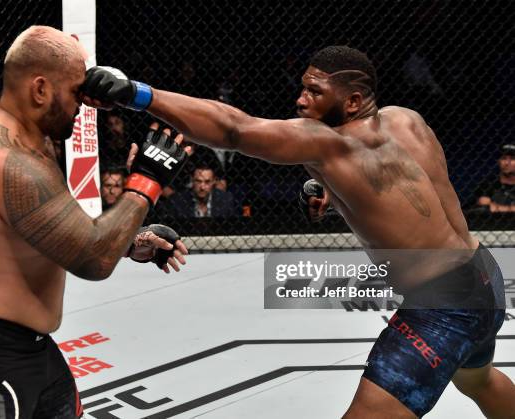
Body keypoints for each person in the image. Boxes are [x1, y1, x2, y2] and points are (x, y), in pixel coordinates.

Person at [80, 46, 515, 418]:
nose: (302, 100)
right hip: (484, 279)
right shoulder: (407, 119)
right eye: (304, 86)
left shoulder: (329, 144)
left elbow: (235, 128)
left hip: (442, 310)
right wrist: (332, 187)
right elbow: (400, 185)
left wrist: (137, 94)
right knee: (479, 382)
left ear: (353, 100)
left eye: (315, 92)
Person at [0, 26, 190, 419]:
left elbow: (51, 228)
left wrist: (130, 241)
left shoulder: (32, 142)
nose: (85, 103)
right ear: (40, 89)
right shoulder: (11, 162)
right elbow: (94, 261)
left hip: (29, 347)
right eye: (76, 91)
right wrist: (145, 184)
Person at [167, 164, 236, 217]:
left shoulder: (226, 199)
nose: (202, 187)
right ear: (192, 180)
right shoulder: (177, 200)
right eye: (198, 181)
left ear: (214, 181)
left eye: (207, 182)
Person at [475, 144, 515, 212]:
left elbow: (492, 208)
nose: (507, 163)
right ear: (499, 161)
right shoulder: (488, 185)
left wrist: (497, 207)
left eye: (512, 159)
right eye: (504, 158)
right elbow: (482, 203)